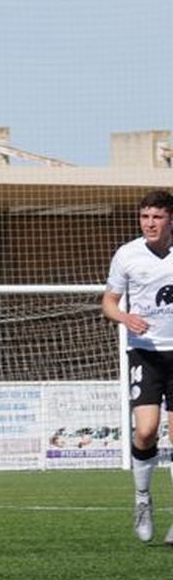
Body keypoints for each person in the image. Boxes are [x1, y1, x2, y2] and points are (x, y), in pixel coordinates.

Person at [102, 190, 173, 544]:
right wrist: (125, 317)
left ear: (171, 220)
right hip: (145, 354)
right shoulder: (127, 254)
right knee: (145, 431)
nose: (150, 223)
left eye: (157, 217)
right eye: (145, 217)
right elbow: (108, 302)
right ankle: (142, 499)